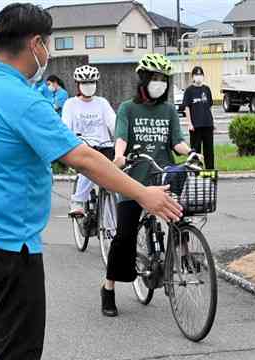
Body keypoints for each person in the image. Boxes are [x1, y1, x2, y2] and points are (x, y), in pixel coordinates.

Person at [0, 3, 181, 360]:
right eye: (48, 43)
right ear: (36, 45)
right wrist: (144, 193)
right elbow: (79, 156)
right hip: (6, 240)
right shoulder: (19, 97)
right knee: (16, 346)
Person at [101, 53, 197, 317]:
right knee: (124, 236)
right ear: (143, 80)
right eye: (155, 78)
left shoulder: (168, 111)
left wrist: (190, 152)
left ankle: (179, 259)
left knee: (179, 217)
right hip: (133, 178)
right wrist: (119, 156)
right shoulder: (127, 109)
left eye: (163, 79)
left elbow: (176, 142)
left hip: (162, 177)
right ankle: (108, 287)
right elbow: (121, 137)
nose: (160, 83)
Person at [64, 64, 117, 216]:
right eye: (85, 83)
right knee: (89, 169)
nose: (89, 86)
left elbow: (113, 123)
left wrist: (120, 137)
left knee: (116, 173)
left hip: (104, 146)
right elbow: (66, 127)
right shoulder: (70, 104)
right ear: (78, 85)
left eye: (91, 83)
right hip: (82, 148)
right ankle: (78, 201)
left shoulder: (102, 103)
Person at [182, 66, 215, 170]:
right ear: (192, 77)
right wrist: (189, 123)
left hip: (207, 124)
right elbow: (186, 108)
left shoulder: (206, 89)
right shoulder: (189, 91)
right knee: (195, 150)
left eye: (200, 75)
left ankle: (210, 171)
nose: (199, 77)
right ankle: (196, 171)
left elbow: (210, 106)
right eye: (196, 75)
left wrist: (213, 122)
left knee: (209, 150)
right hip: (195, 126)